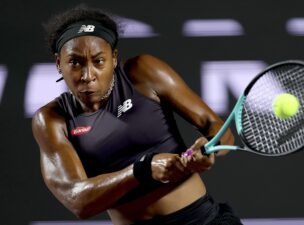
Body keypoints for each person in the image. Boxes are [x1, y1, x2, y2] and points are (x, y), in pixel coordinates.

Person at [32, 5, 243, 225]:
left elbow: (215, 125)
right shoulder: (51, 119)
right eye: (75, 62)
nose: (88, 75)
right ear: (59, 64)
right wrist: (142, 170)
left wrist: (210, 145)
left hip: (203, 220)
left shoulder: (143, 72)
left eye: (98, 61)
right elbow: (77, 200)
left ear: (113, 58)